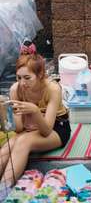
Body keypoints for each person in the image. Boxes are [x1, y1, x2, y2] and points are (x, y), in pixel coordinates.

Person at [0, 52, 71, 186]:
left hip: (56, 127)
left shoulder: (53, 89)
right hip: (28, 128)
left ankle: (4, 189)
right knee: (7, 147)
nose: (22, 83)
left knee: (23, 142)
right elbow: (19, 128)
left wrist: (35, 111)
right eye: (19, 77)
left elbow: (46, 131)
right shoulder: (15, 89)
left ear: (39, 75)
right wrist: (6, 110)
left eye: (27, 78)